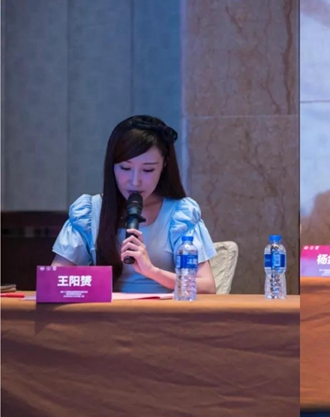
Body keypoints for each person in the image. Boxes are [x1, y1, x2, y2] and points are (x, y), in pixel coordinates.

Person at [52, 115, 217, 293]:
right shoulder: (89, 211)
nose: (135, 181)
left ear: (164, 166)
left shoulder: (180, 213)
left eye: (148, 169)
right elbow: (54, 280)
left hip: (164, 310)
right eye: (125, 168)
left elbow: (207, 286)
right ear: (111, 165)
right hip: (105, 310)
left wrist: (151, 271)